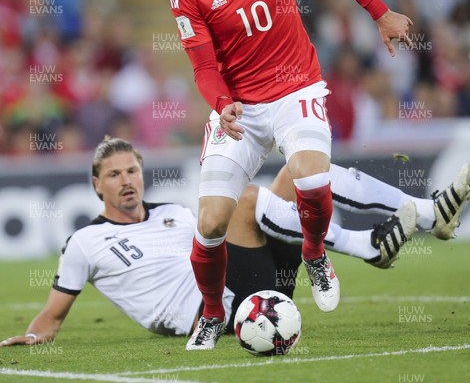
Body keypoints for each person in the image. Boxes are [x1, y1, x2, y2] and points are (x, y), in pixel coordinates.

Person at [168, 0, 413, 349]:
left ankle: (316, 253)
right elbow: (203, 67)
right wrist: (221, 104)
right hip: (237, 107)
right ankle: (213, 314)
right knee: (212, 222)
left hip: (294, 88)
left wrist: (379, 11)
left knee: (311, 177)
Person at [1, 137, 468, 347]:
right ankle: (366, 245)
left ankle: (428, 212)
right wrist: (35, 334)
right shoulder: (85, 242)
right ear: (96, 185)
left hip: (254, 284)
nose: (127, 181)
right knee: (245, 199)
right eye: (114, 174)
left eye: (133, 170)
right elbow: (54, 313)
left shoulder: (174, 213)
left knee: (301, 168)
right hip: (217, 311)